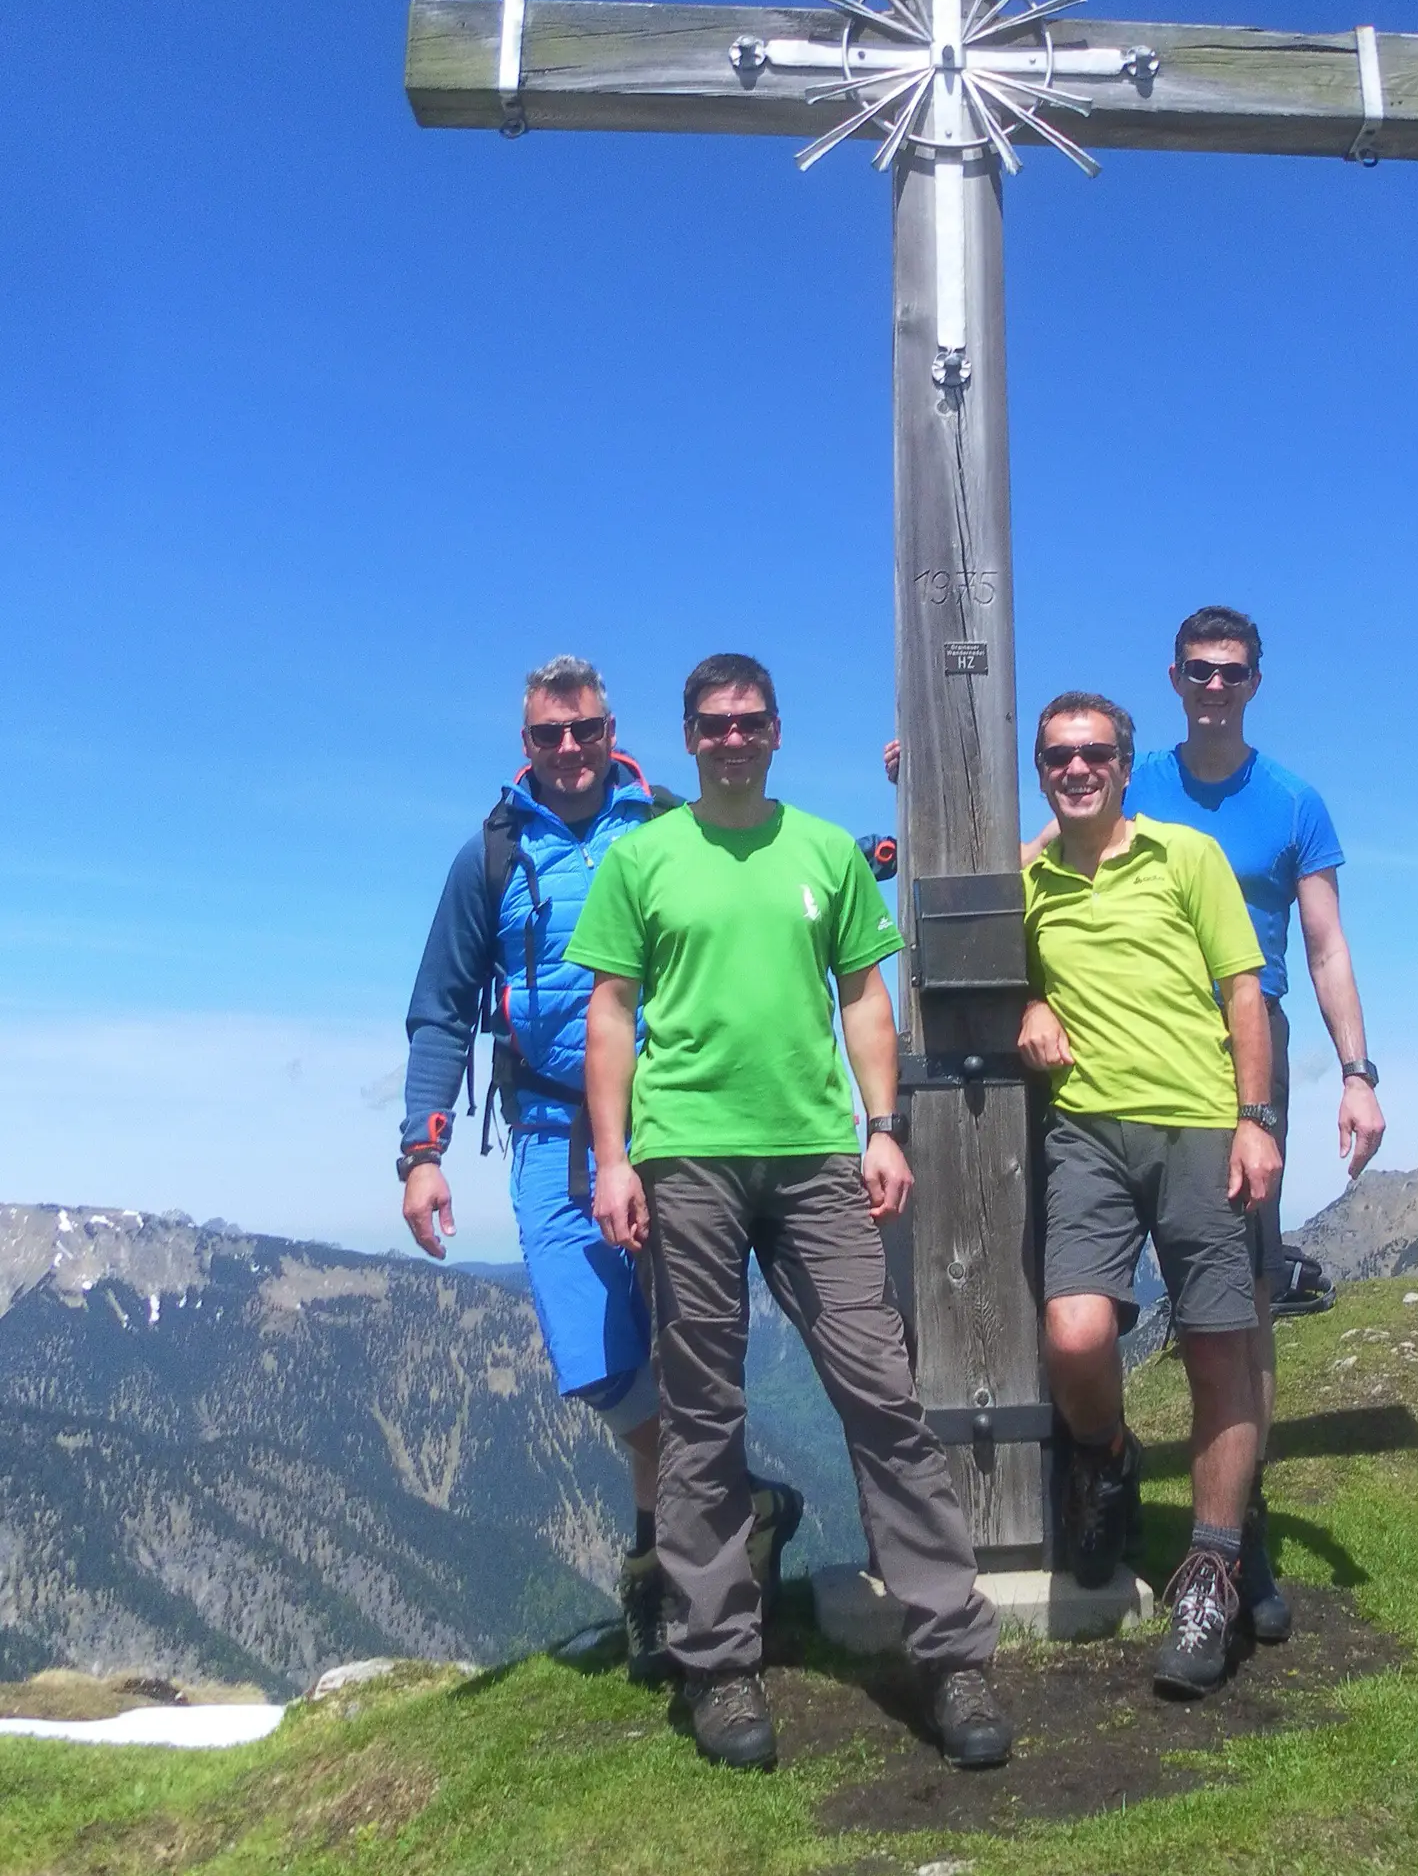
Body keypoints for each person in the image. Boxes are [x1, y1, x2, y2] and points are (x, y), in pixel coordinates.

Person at [573, 652, 1012, 1774]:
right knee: (701, 1413)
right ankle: (719, 1665)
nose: (733, 738)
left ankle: (952, 1652)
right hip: (685, 1156)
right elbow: (611, 1013)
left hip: (817, 1155)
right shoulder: (642, 858)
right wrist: (613, 1160)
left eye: (750, 721)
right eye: (714, 724)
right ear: (688, 736)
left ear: (777, 732)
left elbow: (865, 996)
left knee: (881, 1391)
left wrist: (883, 1127)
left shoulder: (824, 851)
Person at [398, 655, 800, 1681]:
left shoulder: (669, 823)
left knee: (688, 1347)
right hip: (547, 1128)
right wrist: (421, 1151)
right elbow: (443, 1008)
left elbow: (773, 879)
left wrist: (892, 831)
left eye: (584, 731)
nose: (568, 749)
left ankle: (665, 1574)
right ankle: (739, 1508)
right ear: (525, 744)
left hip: (672, 1120)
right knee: (599, 1359)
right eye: (549, 734)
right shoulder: (490, 858)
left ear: (612, 732)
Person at [1125, 605, 1384, 1639]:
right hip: (1132, 1033)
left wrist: (1357, 1073)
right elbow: (1038, 856)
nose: (1214, 687)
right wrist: (921, 795)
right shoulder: (1132, 779)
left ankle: (1241, 1526)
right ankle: (1107, 1482)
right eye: (1199, 670)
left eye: (1231, 672)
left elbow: (1325, 945)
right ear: (1174, 678)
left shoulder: (1293, 801)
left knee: (1247, 1294)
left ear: (1256, 682)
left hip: (1246, 1046)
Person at [1018, 691, 1281, 1698]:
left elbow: (1243, 990)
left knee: (1219, 1346)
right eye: (1057, 756)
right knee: (1076, 1332)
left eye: (1094, 753)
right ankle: (1109, 1456)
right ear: (1042, 771)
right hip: (1086, 1130)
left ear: (1126, 766)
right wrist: (1030, 1000)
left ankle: (1210, 1574)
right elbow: (962, 949)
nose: (1076, 769)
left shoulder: (1187, 857)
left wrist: (1255, 1119)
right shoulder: (1031, 880)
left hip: (1200, 1126)